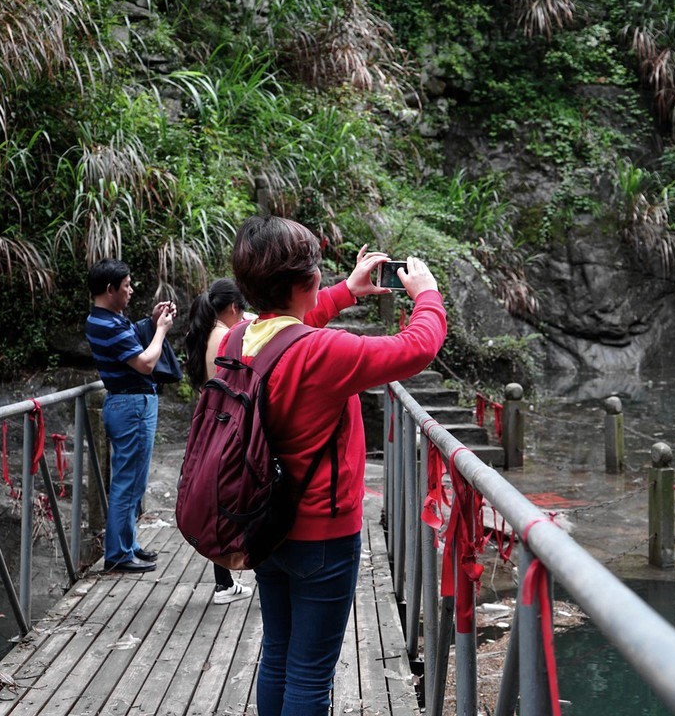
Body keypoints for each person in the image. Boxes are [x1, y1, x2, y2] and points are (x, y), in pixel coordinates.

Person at [227, 215, 446, 716]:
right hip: (322, 534)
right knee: (310, 673)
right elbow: (417, 347)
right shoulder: (321, 351)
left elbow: (292, 329)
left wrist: (346, 290)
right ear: (305, 281)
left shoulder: (242, 339)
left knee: (279, 655)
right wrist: (427, 295)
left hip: (262, 521)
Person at [85, 258, 176, 573]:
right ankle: (119, 555)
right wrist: (161, 331)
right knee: (126, 483)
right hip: (131, 407)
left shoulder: (106, 319)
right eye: (126, 286)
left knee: (133, 482)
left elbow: (131, 338)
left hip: (128, 404)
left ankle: (128, 544)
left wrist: (150, 321)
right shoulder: (107, 324)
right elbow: (145, 363)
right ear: (110, 289)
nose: (131, 291)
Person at [183, 277, 256, 605]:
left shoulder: (201, 331)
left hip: (208, 421)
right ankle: (228, 581)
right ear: (231, 307)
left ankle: (224, 582)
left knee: (218, 498)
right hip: (226, 424)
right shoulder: (225, 335)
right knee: (232, 500)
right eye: (240, 310)